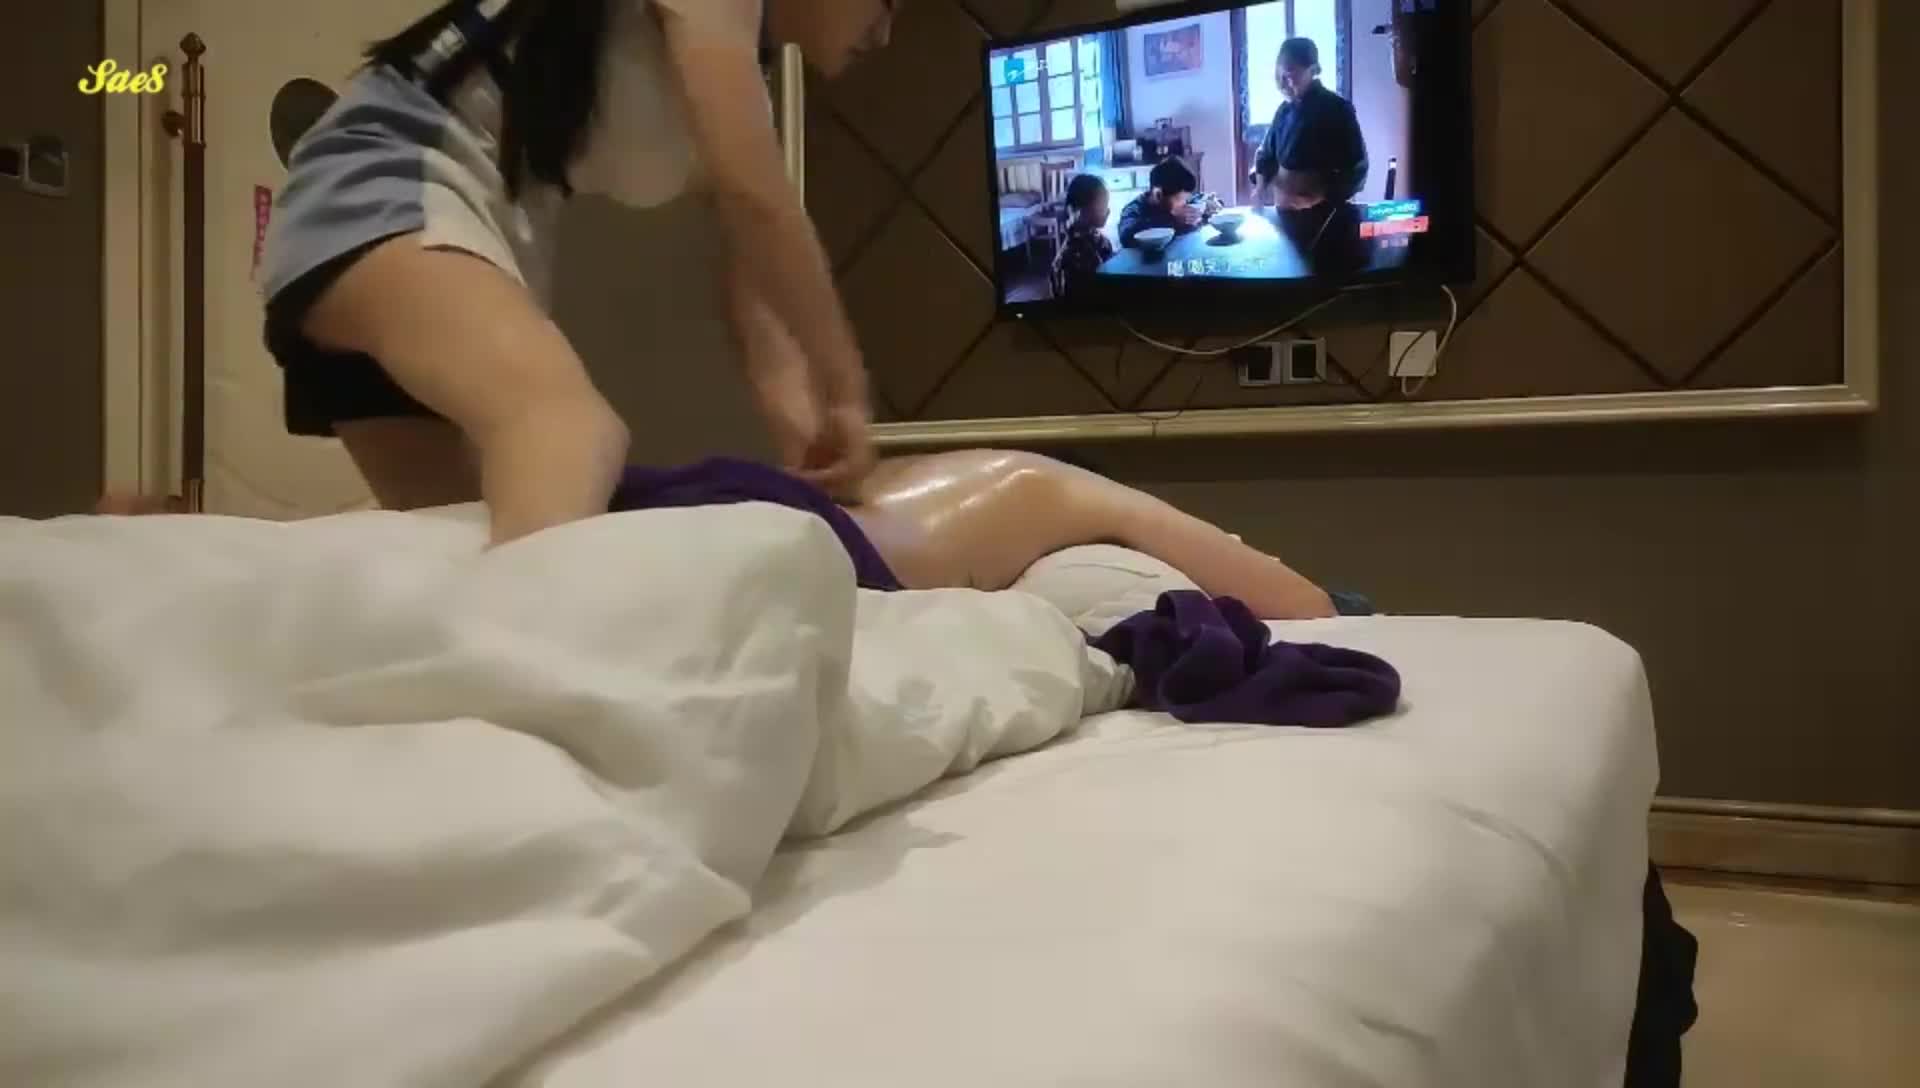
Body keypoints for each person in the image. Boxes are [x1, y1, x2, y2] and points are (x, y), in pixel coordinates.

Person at [258, 0, 898, 546]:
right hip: (386, 194)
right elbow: (758, 201)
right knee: (569, 428)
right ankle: (534, 658)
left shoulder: (733, 75)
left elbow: (762, 299)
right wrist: (847, 387)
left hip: (378, 228)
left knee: (460, 536)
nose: (885, 33)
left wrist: (812, 439)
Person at [1248, 38, 1368, 210]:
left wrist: (1319, 196)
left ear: (1312, 70)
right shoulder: (1283, 111)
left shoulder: (1337, 108)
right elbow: (1265, 154)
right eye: (1280, 77)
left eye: (1290, 75)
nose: (1284, 84)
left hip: (1323, 211)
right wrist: (1260, 189)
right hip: (1284, 209)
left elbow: (1357, 167)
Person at [1116, 159, 1221, 248]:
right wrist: (1172, 220)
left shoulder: (1179, 197)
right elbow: (1126, 236)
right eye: (1180, 199)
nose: (1185, 203)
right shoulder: (1133, 209)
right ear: (1158, 194)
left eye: (1186, 199)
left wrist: (1209, 204)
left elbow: (1200, 198)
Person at [1049, 174, 1114, 299]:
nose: (1107, 211)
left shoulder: (1101, 241)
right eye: (1102, 206)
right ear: (1080, 210)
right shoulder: (1071, 257)